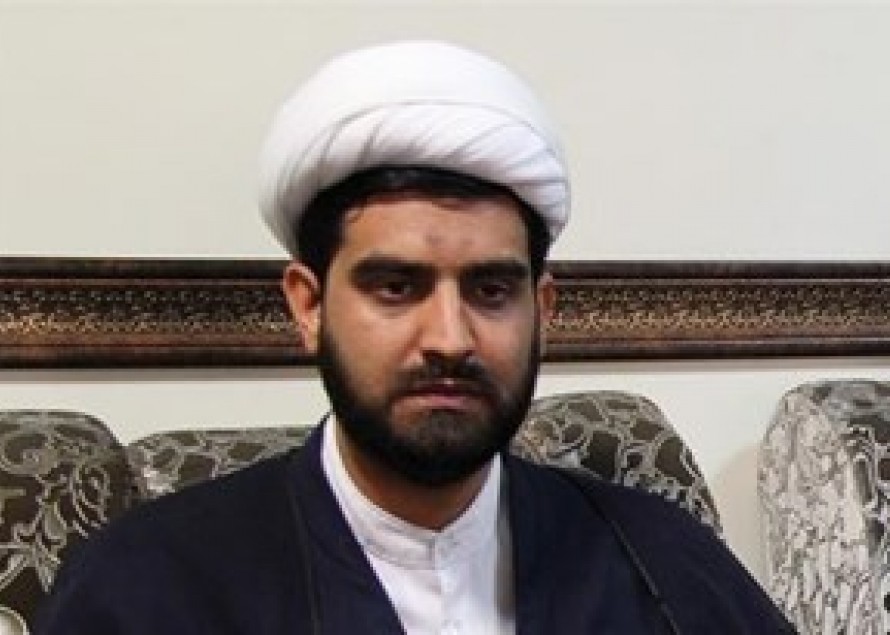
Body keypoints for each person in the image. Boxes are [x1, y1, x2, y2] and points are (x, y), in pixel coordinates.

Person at [34, 40, 793, 634]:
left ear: (542, 308)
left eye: (490, 290)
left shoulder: (659, 559)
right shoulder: (150, 585)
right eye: (396, 287)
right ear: (308, 305)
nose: (449, 338)